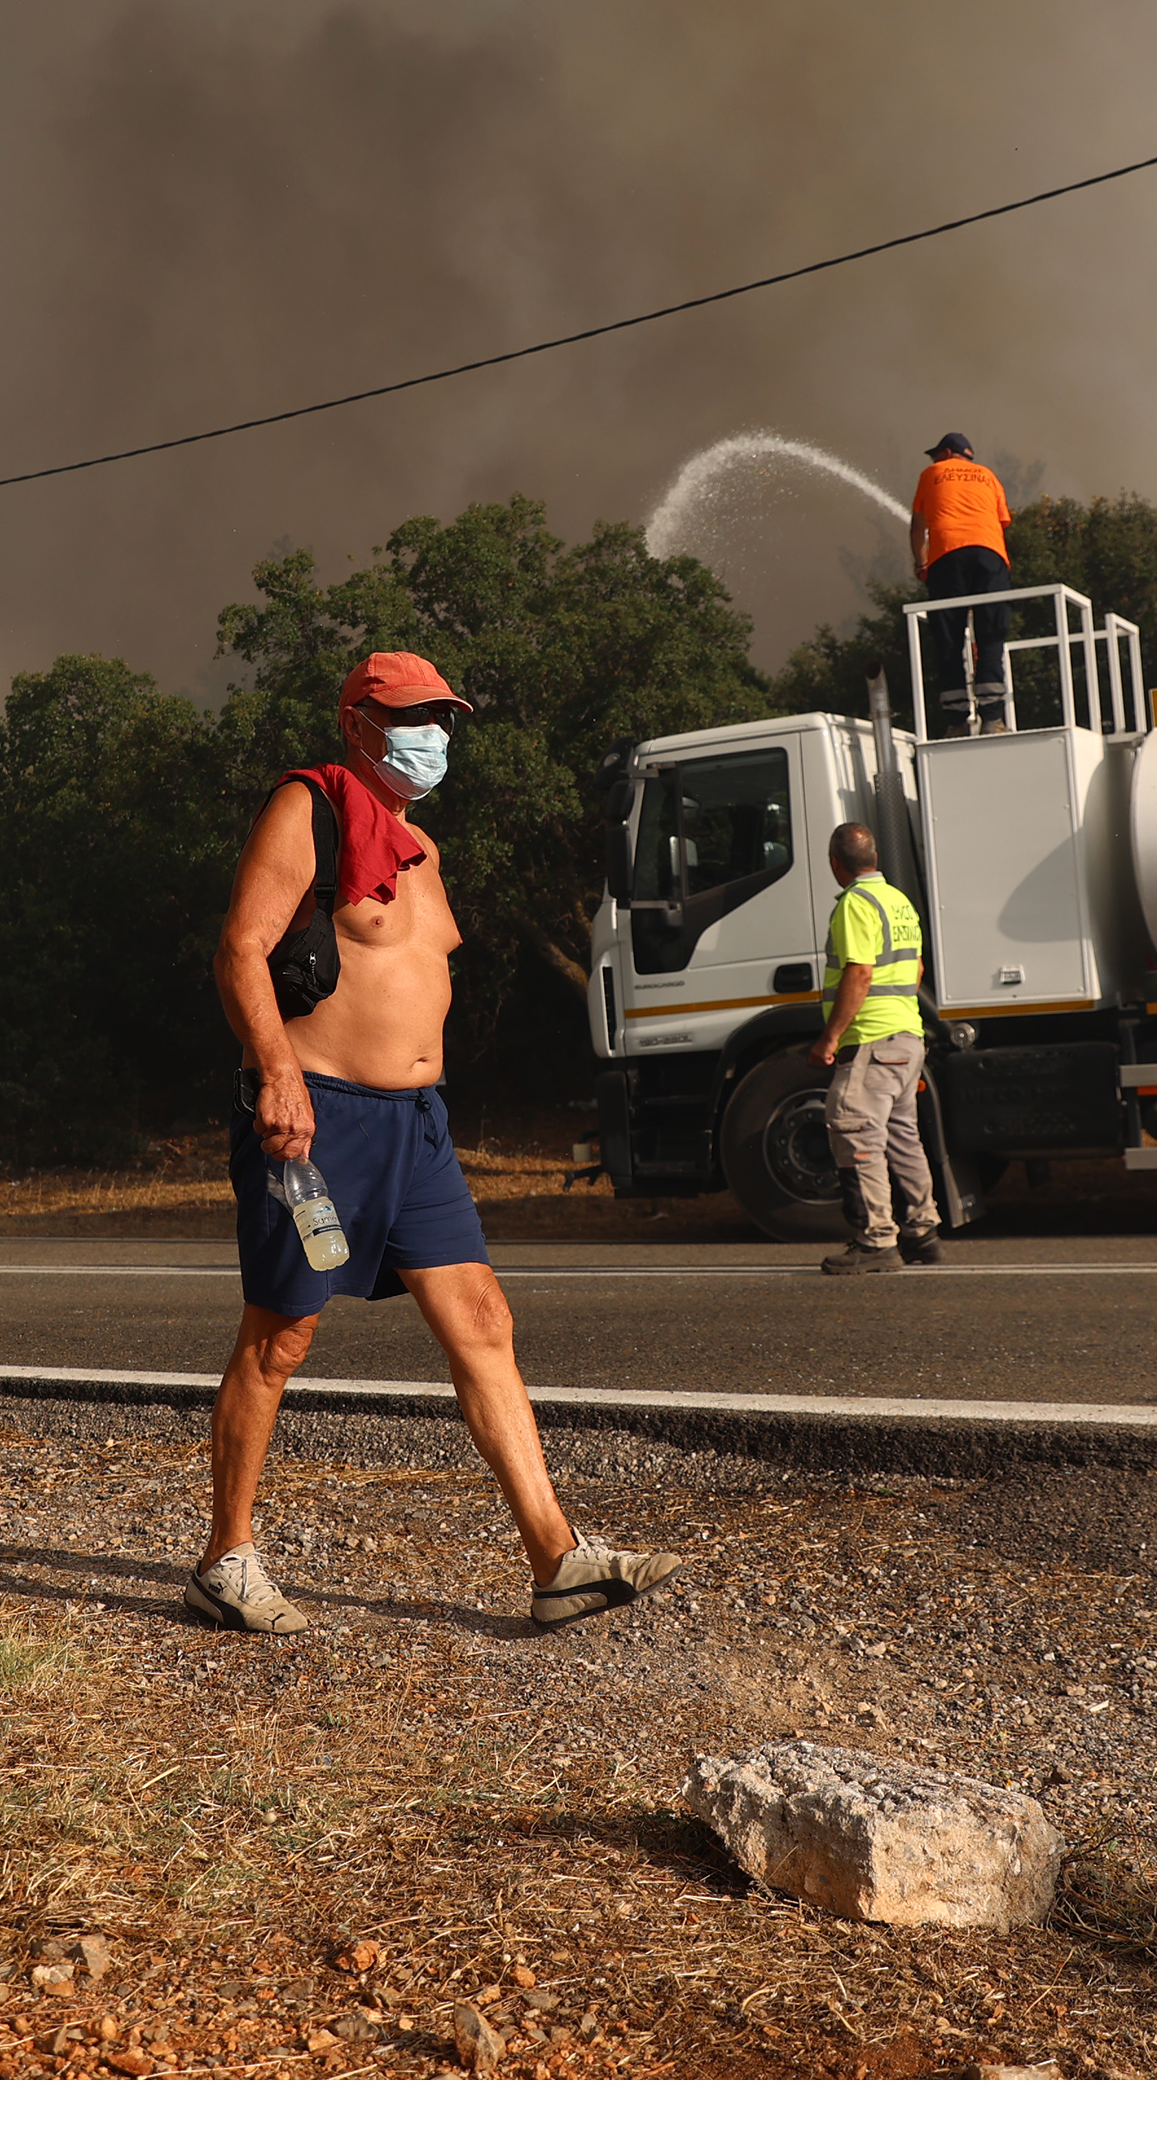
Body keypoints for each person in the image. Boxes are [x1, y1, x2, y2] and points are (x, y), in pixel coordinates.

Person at [196, 651, 682, 1636]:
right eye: (415, 715)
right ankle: (225, 1560)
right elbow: (241, 947)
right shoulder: (309, 809)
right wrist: (277, 1078)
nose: (436, 735)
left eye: (445, 717)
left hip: (418, 1128)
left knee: (483, 1321)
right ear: (359, 722)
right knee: (281, 1335)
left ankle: (556, 1557)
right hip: (318, 1120)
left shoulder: (420, 849)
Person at [811, 823, 940, 1274]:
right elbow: (917, 966)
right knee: (903, 1136)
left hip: (871, 1039)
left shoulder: (855, 904)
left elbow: (859, 973)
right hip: (907, 1037)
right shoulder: (898, 901)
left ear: (835, 863)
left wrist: (831, 1037)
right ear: (875, 860)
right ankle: (923, 1232)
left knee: (855, 1131)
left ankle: (876, 1241)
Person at [911, 431, 1014, 736]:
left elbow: (918, 527)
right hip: (991, 556)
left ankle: (957, 723)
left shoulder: (931, 474)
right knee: (991, 635)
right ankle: (993, 720)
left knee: (949, 639)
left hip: (947, 557)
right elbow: (1001, 521)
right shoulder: (988, 476)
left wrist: (921, 564)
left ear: (945, 453)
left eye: (935, 455)